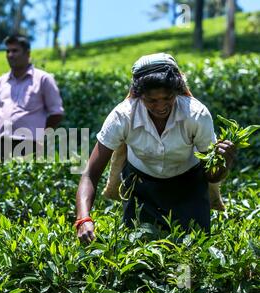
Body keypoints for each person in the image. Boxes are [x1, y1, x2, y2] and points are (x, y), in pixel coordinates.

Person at [75, 53, 236, 244]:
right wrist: (83, 219)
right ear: (139, 95)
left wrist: (224, 162)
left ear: (177, 91)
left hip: (189, 188)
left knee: (191, 257)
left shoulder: (195, 114)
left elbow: (211, 175)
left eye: (167, 98)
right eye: (152, 100)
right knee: (140, 258)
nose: (161, 106)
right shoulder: (123, 116)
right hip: (141, 190)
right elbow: (90, 174)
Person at [0, 34, 65, 161]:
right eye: (7, 51)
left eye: (15, 51)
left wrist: (41, 136)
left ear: (27, 54)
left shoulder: (43, 79)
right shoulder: (0, 82)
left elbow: (56, 113)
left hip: (28, 145)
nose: (10, 55)